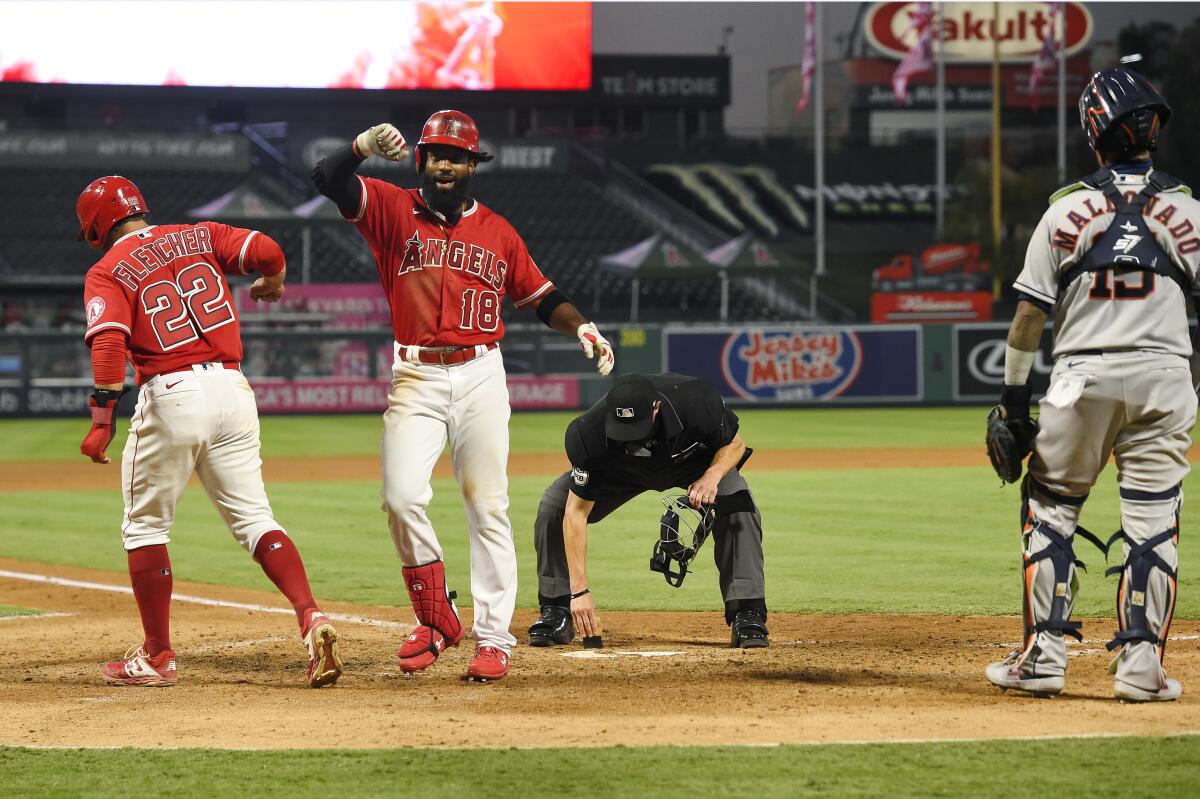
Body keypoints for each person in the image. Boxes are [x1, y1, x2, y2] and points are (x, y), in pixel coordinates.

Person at [311, 110, 615, 681]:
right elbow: (328, 180)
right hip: (416, 377)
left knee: (487, 505)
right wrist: (359, 145)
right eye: (436, 154)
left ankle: (494, 637)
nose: (445, 164)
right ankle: (437, 615)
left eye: (457, 156)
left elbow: (542, 295)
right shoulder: (391, 209)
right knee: (401, 497)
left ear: (473, 165)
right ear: (420, 160)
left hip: (480, 375)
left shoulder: (498, 232)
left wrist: (581, 326)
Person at [77, 175, 343, 689]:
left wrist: (101, 420)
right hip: (232, 388)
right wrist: (275, 280)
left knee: (145, 528)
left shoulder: (107, 270)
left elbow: (108, 345)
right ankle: (310, 615)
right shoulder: (198, 235)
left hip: (173, 393)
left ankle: (158, 655)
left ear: (95, 227)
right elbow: (267, 249)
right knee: (255, 518)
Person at [985, 69, 1199, 702]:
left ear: (1094, 134)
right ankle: (1141, 670)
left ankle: (1044, 660)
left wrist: (1013, 400)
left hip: (1081, 378)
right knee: (1154, 521)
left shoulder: (1065, 210)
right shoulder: (1189, 208)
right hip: (1166, 378)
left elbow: (1029, 318)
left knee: (1050, 511)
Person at [528, 372, 768, 649]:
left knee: (738, 503)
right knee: (554, 508)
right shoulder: (587, 432)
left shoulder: (696, 402)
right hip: (619, 473)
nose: (630, 435)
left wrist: (712, 476)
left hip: (693, 465)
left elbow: (734, 444)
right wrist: (579, 591)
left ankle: (747, 613)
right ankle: (556, 610)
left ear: (657, 408)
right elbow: (576, 513)